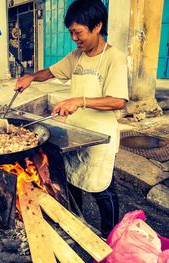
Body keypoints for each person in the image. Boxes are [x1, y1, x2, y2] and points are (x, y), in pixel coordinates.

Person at [15, 0, 129, 238]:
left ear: (97, 26)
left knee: (101, 188)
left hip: (100, 138)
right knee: (74, 180)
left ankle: (110, 236)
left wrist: (80, 101)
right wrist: (31, 77)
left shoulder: (114, 58)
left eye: (78, 33)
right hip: (75, 134)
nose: (75, 38)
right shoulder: (77, 56)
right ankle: (77, 225)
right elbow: (52, 72)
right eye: (71, 33)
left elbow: (119, 101)